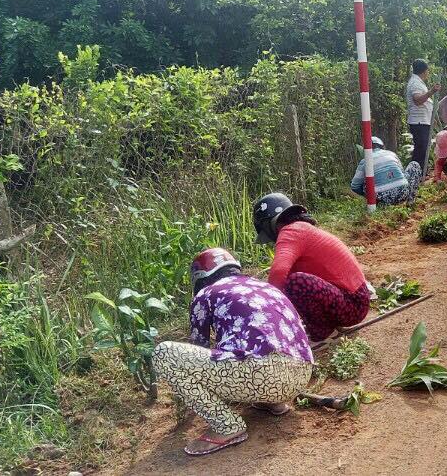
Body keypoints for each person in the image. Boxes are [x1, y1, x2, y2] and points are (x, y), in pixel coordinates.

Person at [153, 248, 314, 456]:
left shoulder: (206, 293)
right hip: (300, 376)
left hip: (264, 375)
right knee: (249, 348)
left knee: (164, 353)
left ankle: (226, 426)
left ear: (200, 278)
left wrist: (193, 398)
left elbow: (199, 347)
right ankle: (273, 401)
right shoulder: (265, 286)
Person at [253, 193, 371, 342]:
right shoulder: (302, 229)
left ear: (269, 225)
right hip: (356, 301)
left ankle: (323, 332)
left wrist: (266, 311)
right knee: (292, 281)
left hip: (353, 305)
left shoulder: (291, 232)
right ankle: (326, 326)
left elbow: (278, 273)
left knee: (295, 282)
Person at [351, 136, 422, 206]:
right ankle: (410, 201)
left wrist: (368, 195)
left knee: (365, 181)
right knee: (414, 164)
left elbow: (355, 186)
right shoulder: (392, 154)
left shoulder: (365, 161)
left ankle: (373, 204)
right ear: (382, 146)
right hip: (402, 193)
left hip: (381, 198)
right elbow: (402, 174)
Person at [406, 59, 440, 172]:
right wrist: (431, 91)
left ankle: (418, 175)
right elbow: (418, 100)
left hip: (422, 121)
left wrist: (431, 118)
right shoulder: (415, 83)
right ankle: (416, 175)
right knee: (421, 151)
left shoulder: (418, 82)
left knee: (422, 150)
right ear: (424, 71)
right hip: (418, 122)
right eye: (427, 71)